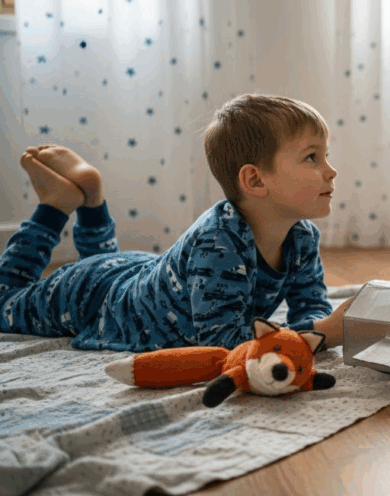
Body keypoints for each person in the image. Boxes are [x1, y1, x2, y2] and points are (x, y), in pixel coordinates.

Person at [0, 94, 351, 352]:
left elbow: (312, 306)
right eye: (311, 157)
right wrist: (324, 334)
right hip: (87, 295)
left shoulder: (301, 236)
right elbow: (221, 342)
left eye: (326, 155)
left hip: (137, 275)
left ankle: (92, 201)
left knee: (111, 276)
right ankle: (54, 206)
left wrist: (317, 326)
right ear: (256, 181)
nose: (331, 170)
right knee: (6, 302)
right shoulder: (220, 243)